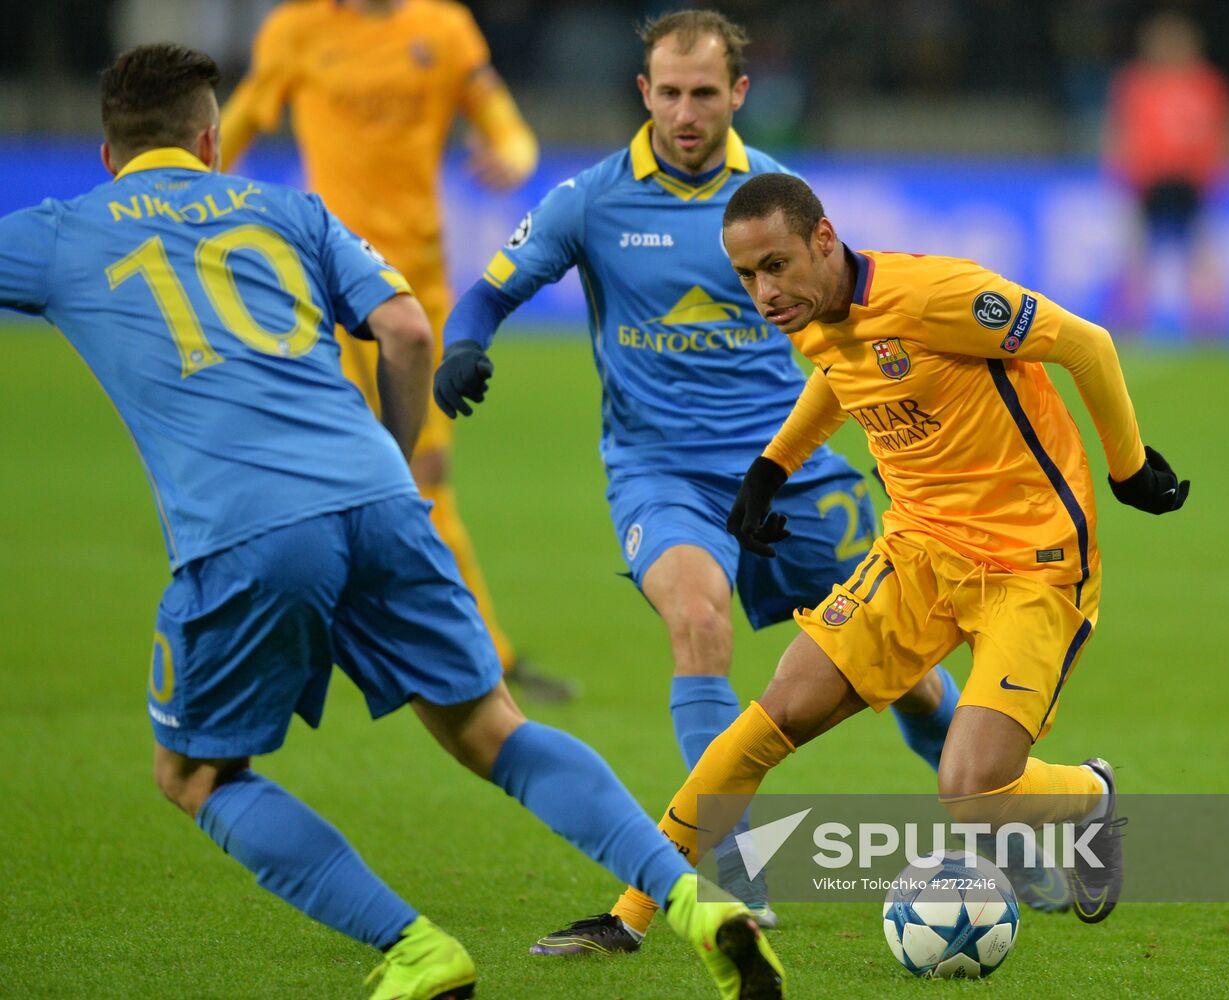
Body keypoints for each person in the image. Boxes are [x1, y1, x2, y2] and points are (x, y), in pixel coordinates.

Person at [0, 43, 784, 1000]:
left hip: (246, 529)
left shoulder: (63, 228)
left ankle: (414, 948)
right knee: (491, 726)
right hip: (381, 497)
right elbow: (408, 329)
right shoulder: (287, 209)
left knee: (196, 773)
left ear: (107, 154)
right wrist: (396, 459)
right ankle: (698, 898)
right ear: (211, 141)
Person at [433, 9, 973, 948]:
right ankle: (735, 870)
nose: (686, 112)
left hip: (789, 473)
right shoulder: (592, 200)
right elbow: (487, 288)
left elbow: (850, 316)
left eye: (704, 93)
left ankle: (1000, 817)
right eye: (669, 93)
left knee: (913, 679)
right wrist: (466, 346)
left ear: (738, 94)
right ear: (644, 93)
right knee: (696, 617)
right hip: (660, 473)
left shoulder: (778, 199)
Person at [572, 170, 1193, 940]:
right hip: (915, 554)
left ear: (823, 240)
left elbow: (1086, 345)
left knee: (968, 791)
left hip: (1029, 564)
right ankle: (633, 912)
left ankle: (1085, 798)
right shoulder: (807, 312)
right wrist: (771, 469)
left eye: (774, 266)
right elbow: (842, 376)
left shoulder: (938, 297)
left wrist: (1128, 468)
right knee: (777, 711)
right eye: (745, 276)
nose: (763, 293)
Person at [219, 0, 573, 701]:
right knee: (344, 466)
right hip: (328, 281)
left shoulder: (441, 29)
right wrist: (176, 191)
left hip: (419, 286)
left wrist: (512, 153)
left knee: (420, 466)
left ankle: (472, 652)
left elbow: (505, 123)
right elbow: (236, 127)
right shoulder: (296, 29)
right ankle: (459, 652)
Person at [1103, 10, 1229, 337]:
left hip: (1193, 181)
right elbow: (1120, 129)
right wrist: (1118, 170)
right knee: (1135, 255)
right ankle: (1126, 324)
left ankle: (1209, 326)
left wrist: (1224, 171)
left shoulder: (1208, 83)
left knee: (1201, 256)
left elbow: (1224, 130)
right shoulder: (1136, 82)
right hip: (1147, 180)